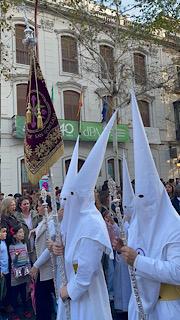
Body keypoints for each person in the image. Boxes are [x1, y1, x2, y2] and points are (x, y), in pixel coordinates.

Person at [113, 92, 180, 320]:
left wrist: (137, 260)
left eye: (146, 200)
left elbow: (177, 272)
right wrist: (124, 247)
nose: (142, 206)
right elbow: (138, 250)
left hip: (167, 307)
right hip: (140, 304)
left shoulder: (175, 226)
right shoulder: (140, 222)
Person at [54, 112, 117, 320]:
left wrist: (68, 292)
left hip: (86, 300)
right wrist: (55, 247)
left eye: (71, 196)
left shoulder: (92, 223)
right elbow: (62, 247)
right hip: (70, 295)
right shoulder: (75, 220)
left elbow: (85, 272)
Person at [30, 195, 55, 320]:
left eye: (39, 205)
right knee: (43, 299)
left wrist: (36, 265)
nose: (37, 208)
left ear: (47, 207)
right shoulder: (45, 220)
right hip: (43, 268)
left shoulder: (52, 222)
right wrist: (34, 230)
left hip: (48, 267)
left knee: (43, 300)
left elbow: (49, 248)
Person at [9, 224, 31, 320]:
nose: (23, 234)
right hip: (16, 274)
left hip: (24, 272)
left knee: (23, 292)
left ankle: (26, 309)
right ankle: (14, 312)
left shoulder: (24, 244)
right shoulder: (11, 246)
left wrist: (29, 269)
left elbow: (27, 259)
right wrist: (17, 254)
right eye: (20, 232)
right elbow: (14, 260)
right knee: (15, 293)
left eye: (23, 232)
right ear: (14, 235)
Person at [15, 196, 39, 264]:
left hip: (35, 243)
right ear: (20, 205)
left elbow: (41, 225)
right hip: (24, 244)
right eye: (24, 204)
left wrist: (35, 229)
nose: (27, 205)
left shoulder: (35, 214)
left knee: (36, 265)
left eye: (28, 203)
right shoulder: (17, 216)